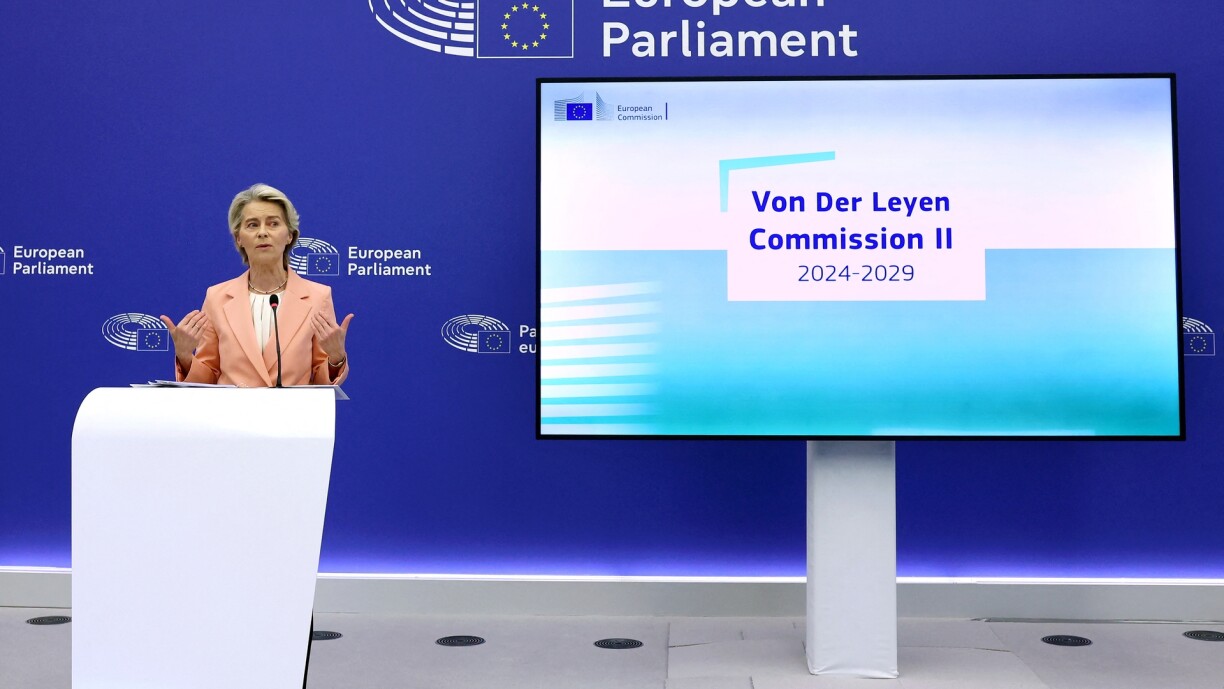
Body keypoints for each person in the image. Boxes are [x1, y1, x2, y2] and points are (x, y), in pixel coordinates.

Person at [160, 183, 352, 387]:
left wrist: (335, 358)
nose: (262, 232)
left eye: (273, 223)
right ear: (238, 238)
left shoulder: (317, 296)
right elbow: (207, 379)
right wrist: (184, 355)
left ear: (289, 235)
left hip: (290, 417)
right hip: (232, 417)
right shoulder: (216, 297)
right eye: (252, 225)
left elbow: (321, 384)